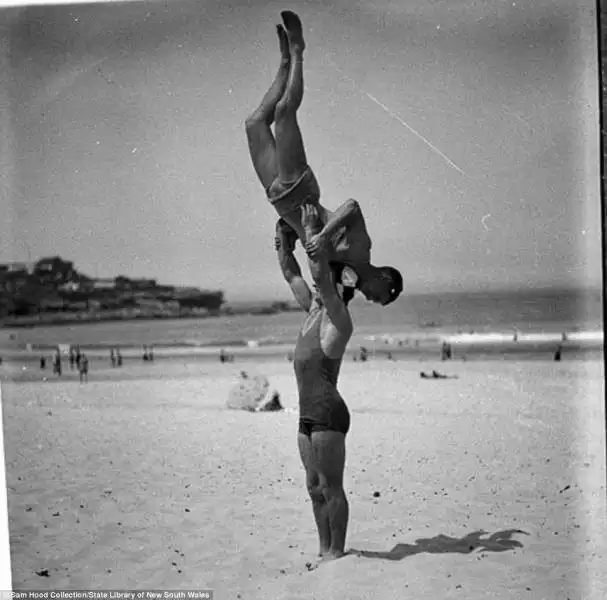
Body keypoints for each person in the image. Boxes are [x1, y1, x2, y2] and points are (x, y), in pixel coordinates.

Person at [245, 10, 402, 306]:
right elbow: (352, 207)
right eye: (380, 297)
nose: (371, 299)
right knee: (283, 114)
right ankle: (297, 53)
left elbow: (309, 274)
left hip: (278, 199)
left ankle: (284, 63)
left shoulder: (344, 284)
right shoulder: (361, 251)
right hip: (298, 189)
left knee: (254, 124)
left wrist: (287, 233)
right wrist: (324, 234)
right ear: (386, 279)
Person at [275, 203, 354, 566]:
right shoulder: (312, 312)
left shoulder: (339, 319)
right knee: (313, 488)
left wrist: (311, 230)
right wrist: (281, 242)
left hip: (327, 412)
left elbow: (319, 275)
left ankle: (338, 551)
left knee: (331, 486)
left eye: (326, 284)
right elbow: (293, 275)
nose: (317, 287)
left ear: (339, 288)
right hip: (306, 416)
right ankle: (324, 549)